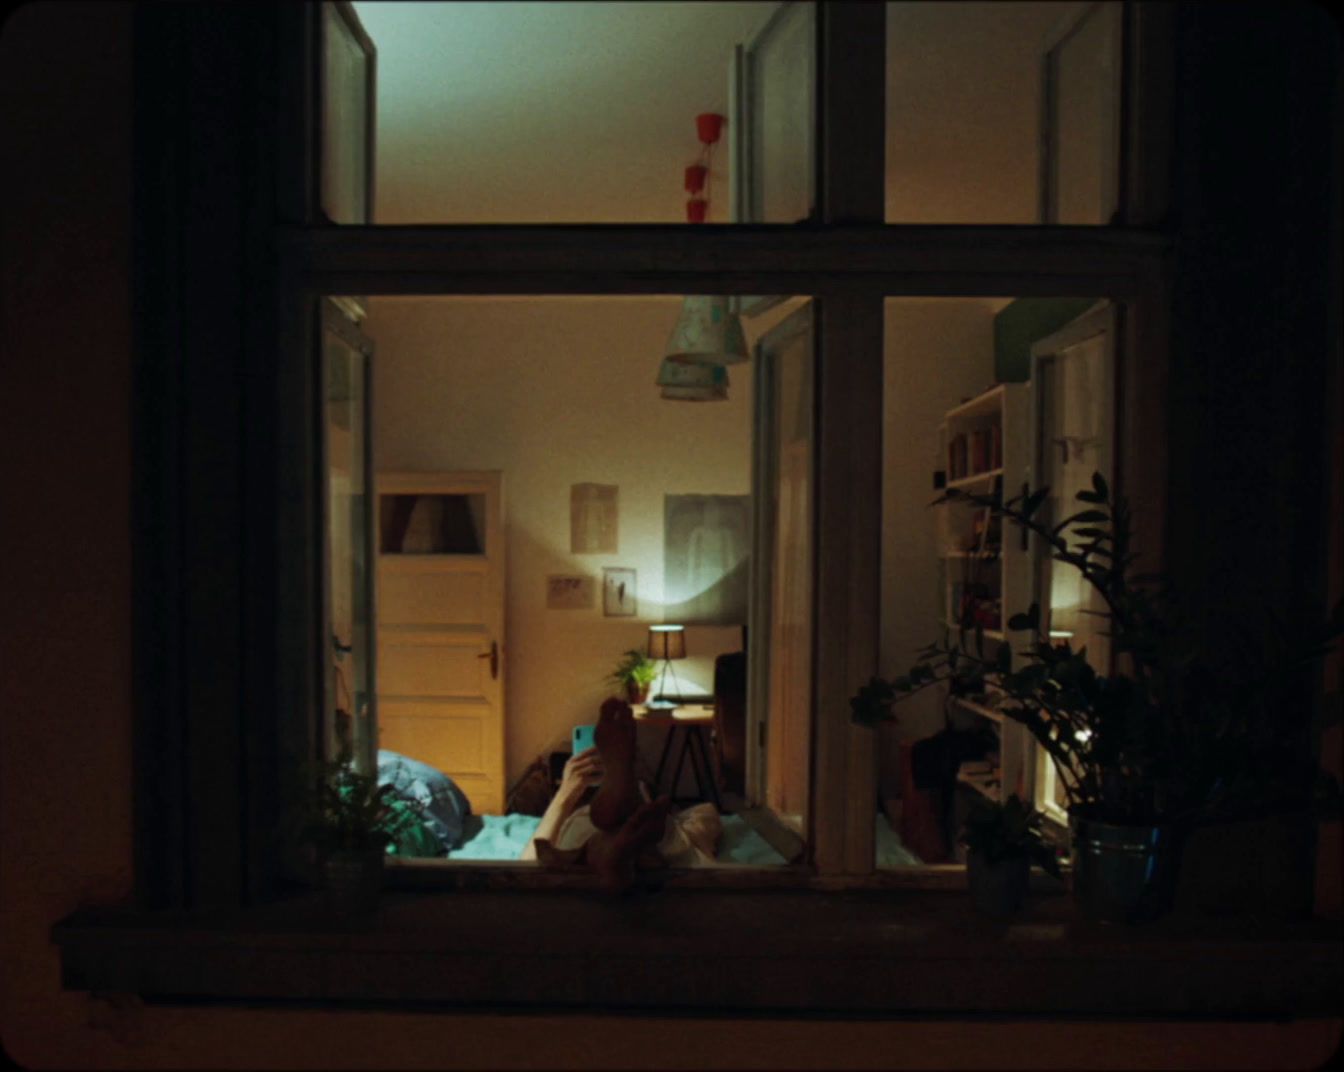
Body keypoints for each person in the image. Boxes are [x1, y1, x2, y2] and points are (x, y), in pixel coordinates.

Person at [523, 698, 722, 892]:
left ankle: (603, 848)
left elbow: (525, 867)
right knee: (704, 816)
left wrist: (565, 794)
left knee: (581, 831)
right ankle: (632, 835)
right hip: (647, 830)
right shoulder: (658, 816)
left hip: (583, 835)